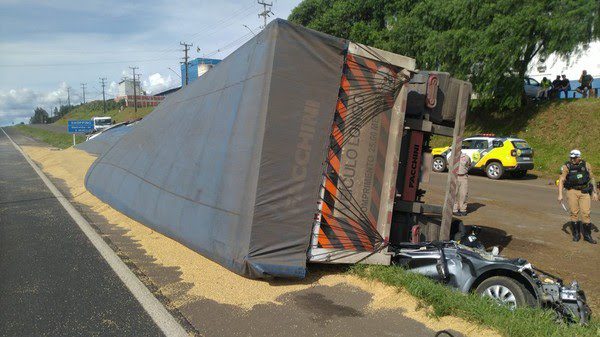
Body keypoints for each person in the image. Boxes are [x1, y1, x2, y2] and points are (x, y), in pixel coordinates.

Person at [558, 149, 598, 244]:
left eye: (574, 158)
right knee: (574, 213)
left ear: (579, 157)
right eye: (571, 158)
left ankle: (587, 236)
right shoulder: (566, 166)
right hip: (572, 191)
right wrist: (560, 194)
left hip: (584, 192)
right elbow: (561, 180)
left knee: (586, 213)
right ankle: (576, 235)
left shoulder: (586, 165)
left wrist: (595, 192)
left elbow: (592, 178)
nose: (572, 159)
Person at [453, 151, 472, 216]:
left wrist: (464, 171)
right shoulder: (451, 157)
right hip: (454, 176)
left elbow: (469, 165)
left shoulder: (466, 157)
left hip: (463, 177)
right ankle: (454, 209)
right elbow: (448, 165)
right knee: (454, 193)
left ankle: (463, 209)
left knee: (464, 193)